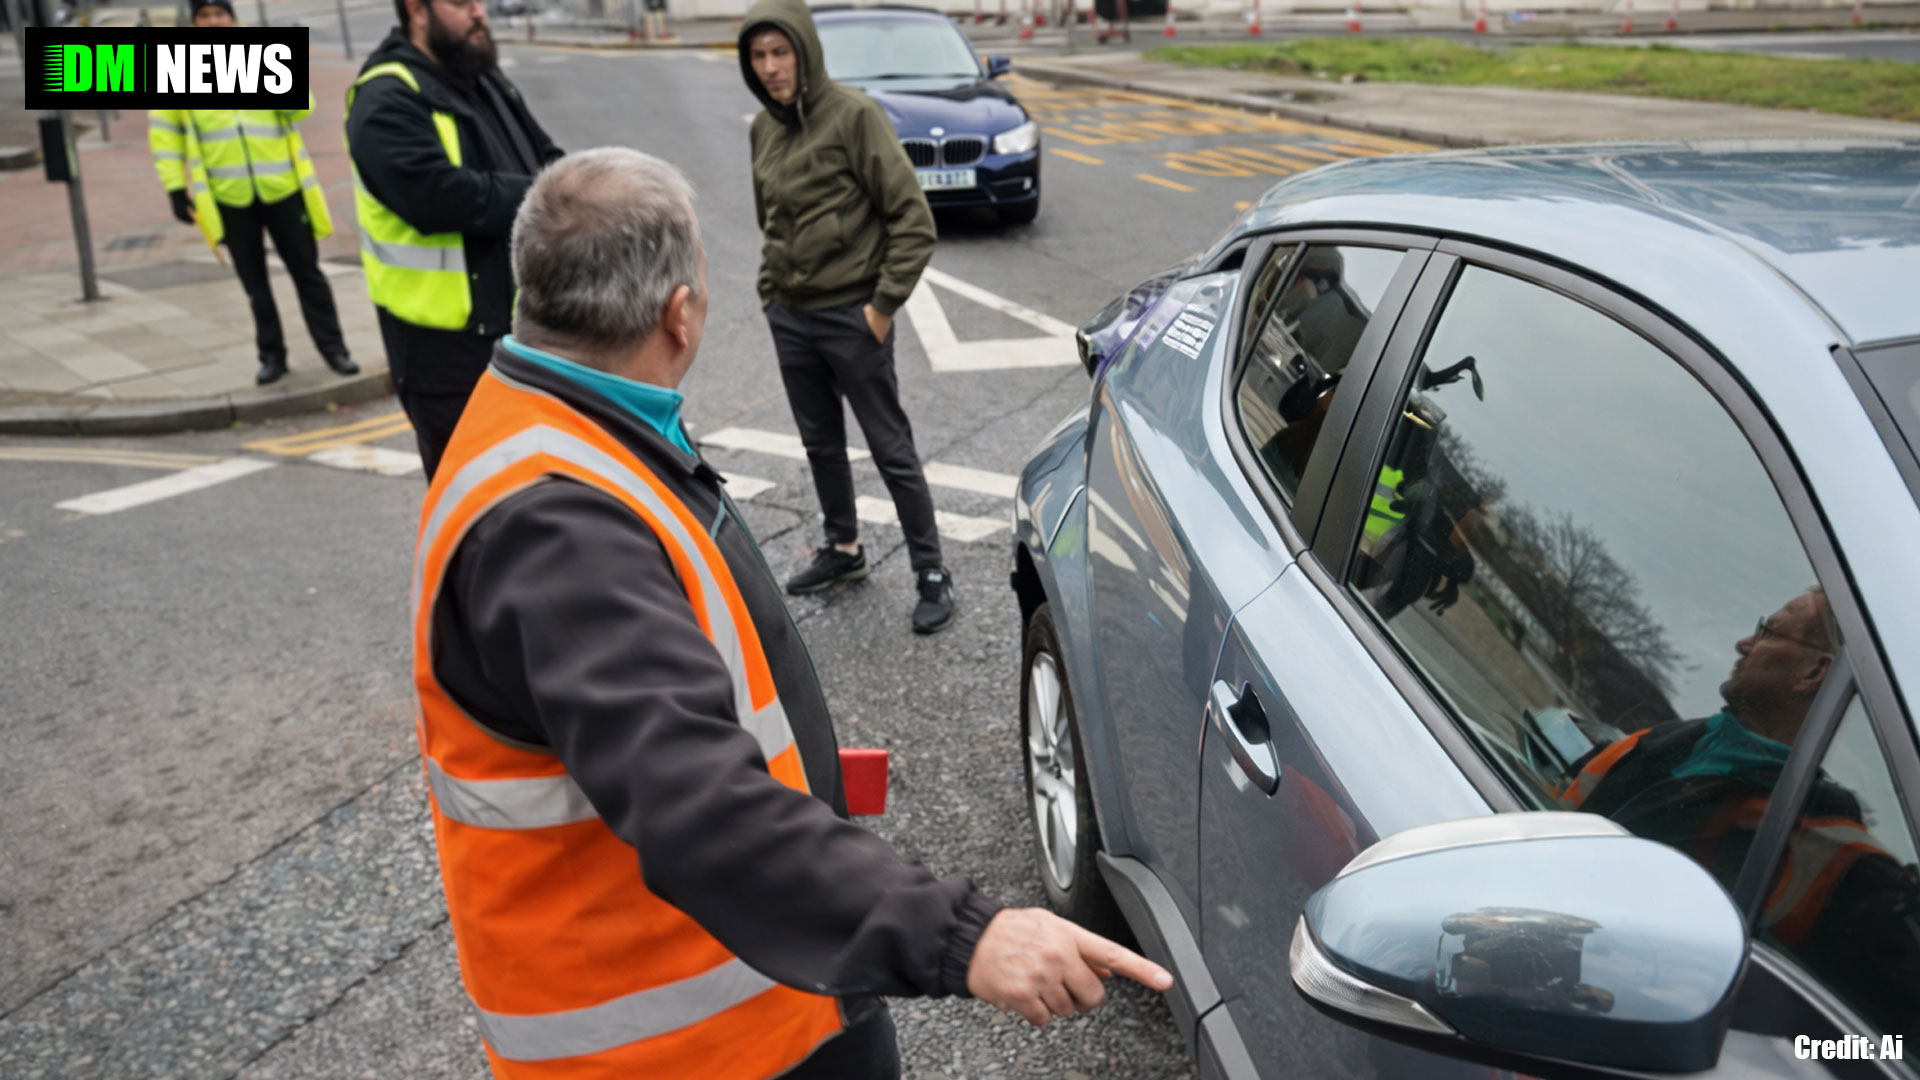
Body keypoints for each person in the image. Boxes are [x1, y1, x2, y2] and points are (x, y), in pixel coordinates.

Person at [412, 148, 1170, 1079]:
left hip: (753, 992)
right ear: (679, 315)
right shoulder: (556, 522)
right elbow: (698, 806)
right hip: (683, 1045)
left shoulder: (550, 419)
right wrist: (965, 935)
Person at [1560, 588, 1920, 1029]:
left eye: (1767, 631)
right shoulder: (1654, 743)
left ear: (1814, 671)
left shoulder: (1844, 862)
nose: (1743, 644)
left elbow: (1880, 1050)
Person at [739, 0, 955, 634]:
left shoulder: (854, 116)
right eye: (759, 56)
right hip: (792, 315)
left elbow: (913, 222)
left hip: (852, 316)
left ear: (806, 51)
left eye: (781, 53)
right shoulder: (762, 128)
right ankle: (844, 551)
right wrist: (769, 292)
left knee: (890, 447)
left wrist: (881, 308)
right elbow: (769, 219)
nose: (771, 67)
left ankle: (932, 571)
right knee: (820, 444)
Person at [345, 0, 561, 479]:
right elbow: (441, 197)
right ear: (416, 10)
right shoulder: (385, 98)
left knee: (535, 496)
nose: (479, 12)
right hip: (446, 355)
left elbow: (543, 155)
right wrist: (553, 195)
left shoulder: (482, 77)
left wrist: (580, 184)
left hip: (515, 332)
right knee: (478, 506)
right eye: (461, 3)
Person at [149, 0, 354, 387]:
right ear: (195, 23)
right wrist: (175, 187)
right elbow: (164, 134)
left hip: (282, 188)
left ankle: (335, 349)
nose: (213, 22)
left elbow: (302, 109)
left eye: (219, 14)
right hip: (229, 195)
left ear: (232, 18)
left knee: (307, 273)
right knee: (255, 285)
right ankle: (272, 357)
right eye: (204, 17)